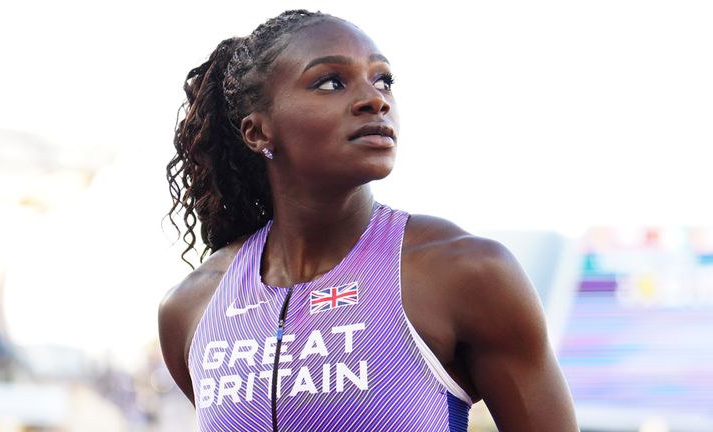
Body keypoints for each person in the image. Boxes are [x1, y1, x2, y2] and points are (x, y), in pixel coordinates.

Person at [159, 9, 578, 432]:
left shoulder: (462, 271)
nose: (375, 99)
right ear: (257, 132)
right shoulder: (193, 308)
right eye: (330, 82)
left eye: (384, 81)